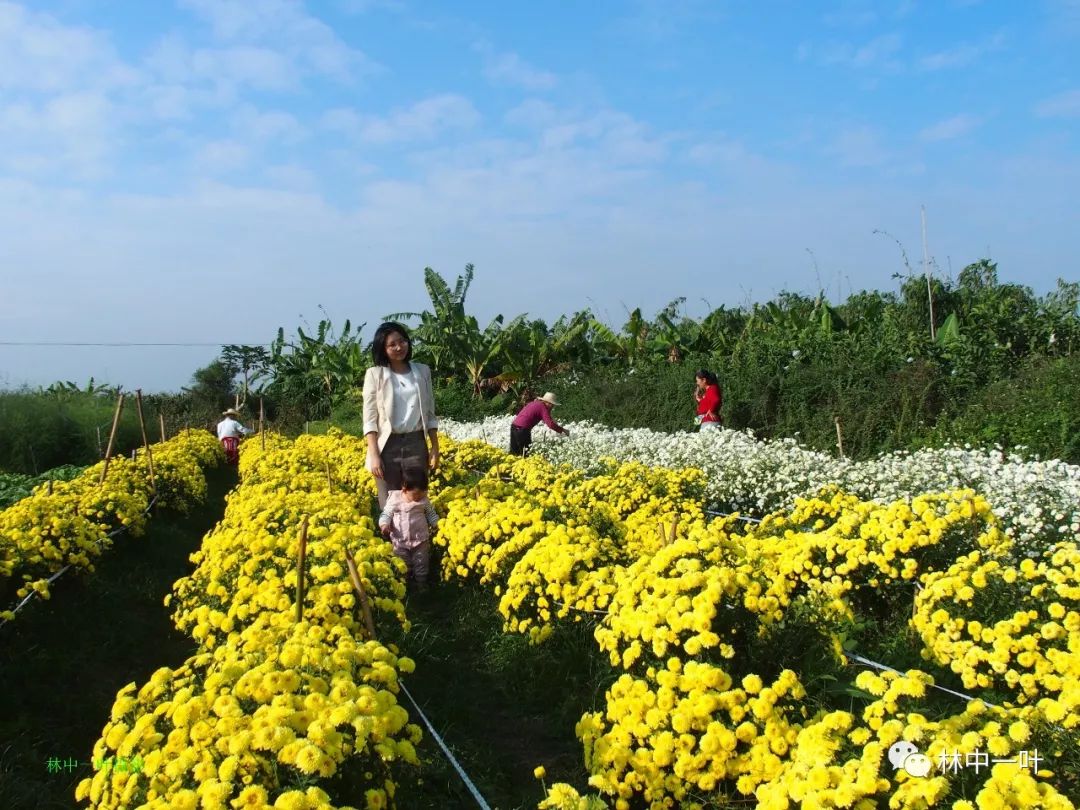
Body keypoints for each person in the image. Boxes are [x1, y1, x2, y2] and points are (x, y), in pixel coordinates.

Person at [363, 321, 440, 509]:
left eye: (402, 341)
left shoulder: (422, 371)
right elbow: (370, 417)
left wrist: (435, 447)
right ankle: (392, 538)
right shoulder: (375, 374)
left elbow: (430, 413)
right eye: (392, 345)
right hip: (387, 444)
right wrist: (374, 454)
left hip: (416, 443)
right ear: (383, 349)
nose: (399, 347)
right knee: (389, 498)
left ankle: (417, 537)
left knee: (416, 495)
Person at [378, 468, 439, 590]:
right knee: (403, 563)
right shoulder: (395, 499)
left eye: (423, 493)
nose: (419, 497)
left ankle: (421, 584)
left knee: (421, 562)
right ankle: (405, 584)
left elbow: (431, 513)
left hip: (420, 539)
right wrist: (384, 524)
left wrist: (437, 524)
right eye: (416, 494)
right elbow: (386, 514)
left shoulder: (424, 500)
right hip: (400, 541)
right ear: (404, 489)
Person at [510, 392, 569, 456]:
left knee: (514, 453)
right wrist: (563, 430)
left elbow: (548, 418)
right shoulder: (542, 407)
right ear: (548, 403)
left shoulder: (535, 403)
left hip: (514, 426)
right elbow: (550, 424)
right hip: (522, 430)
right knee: (526, 454)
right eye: (552, 405)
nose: (553, 407)